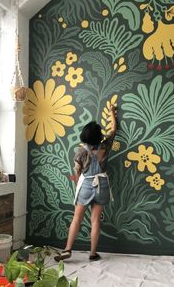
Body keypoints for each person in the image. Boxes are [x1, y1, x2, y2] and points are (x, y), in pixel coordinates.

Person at [55, 105, 117, 262]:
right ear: (98, 136)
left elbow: (77, 172)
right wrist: (111, 113)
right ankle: (93, 253)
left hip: (86, 185)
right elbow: (113, 129)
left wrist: (78, 186)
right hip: (101, 185)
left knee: (77, 219)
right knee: (95, 220)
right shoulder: (106, 146)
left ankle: (68, 249)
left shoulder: (80, 152)